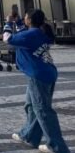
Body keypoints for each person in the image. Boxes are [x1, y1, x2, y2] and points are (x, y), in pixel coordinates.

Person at [5, 10, 69, 153]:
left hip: (38, 75)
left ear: (29, 20)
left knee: (43, 110)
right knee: (30, 105)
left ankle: (57, 147)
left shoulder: (31, 34)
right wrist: (18, 22)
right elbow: (23, 34)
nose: (23, 18)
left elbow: (7, 38)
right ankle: (29, 135)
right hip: (47, 72)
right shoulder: (39, 32)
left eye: (25, 17)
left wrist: (8, 22)